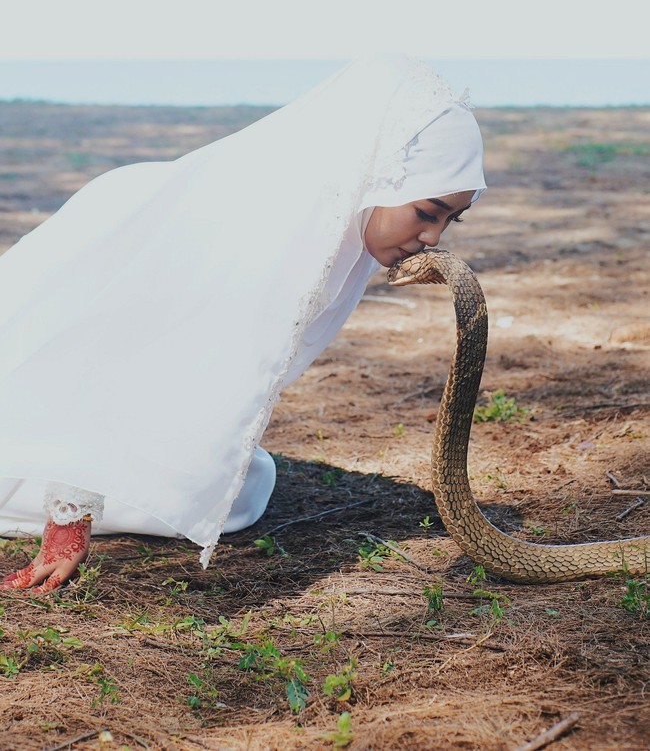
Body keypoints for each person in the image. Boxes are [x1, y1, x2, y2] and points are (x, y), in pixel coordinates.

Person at [0, 54, 485, 593]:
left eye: (449, 218)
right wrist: (69, 519)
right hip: (52, 373)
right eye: (426, 211)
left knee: (237, 494)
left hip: (125, 394)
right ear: (379, 178)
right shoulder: (252, 236)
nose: (435, 237)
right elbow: (96, 353)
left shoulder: (339, 237)